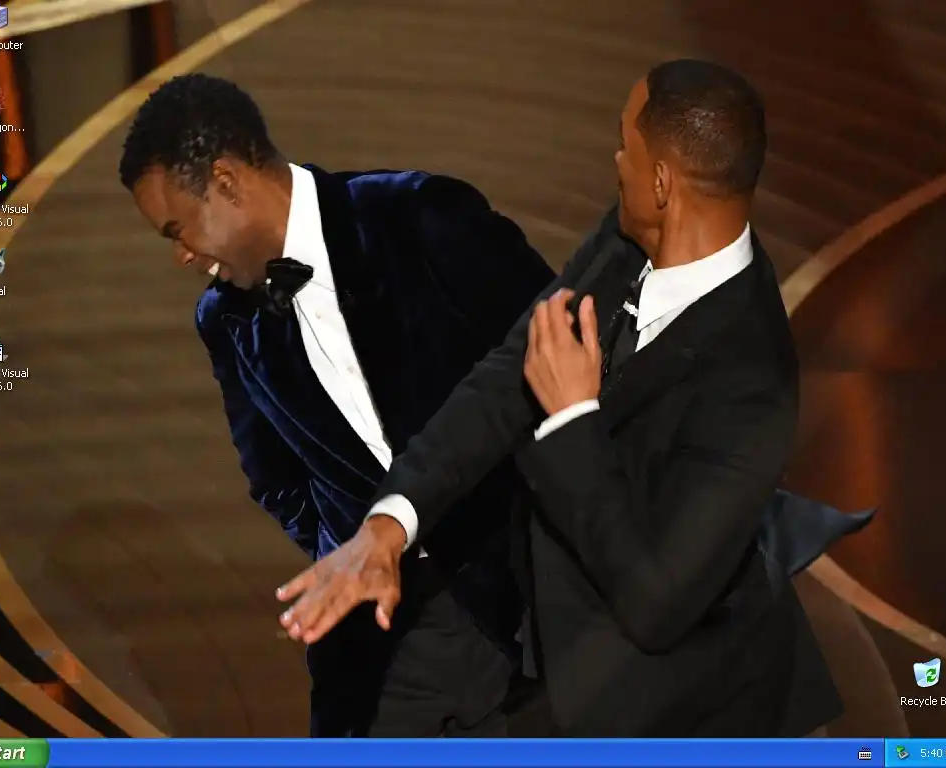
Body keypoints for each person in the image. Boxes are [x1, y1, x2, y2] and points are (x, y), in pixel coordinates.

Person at [274, 60, 857, 737]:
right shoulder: (631, 240)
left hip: (686, 716)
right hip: (565, 662)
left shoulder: (754, 384)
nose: (615, 161)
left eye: (624, 145)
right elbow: (505, 378)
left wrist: (573, 418)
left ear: (662, 183)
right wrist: (390, 523)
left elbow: (656, 604)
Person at [117, 73, 556, 737]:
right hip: (384, 640)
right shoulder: (223, 320)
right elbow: (275, 479)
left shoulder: (420, 217)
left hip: (529, 603)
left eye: (179, 230)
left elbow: (566, 358)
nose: (182, 256)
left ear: (227, 182)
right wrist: (352, 547)